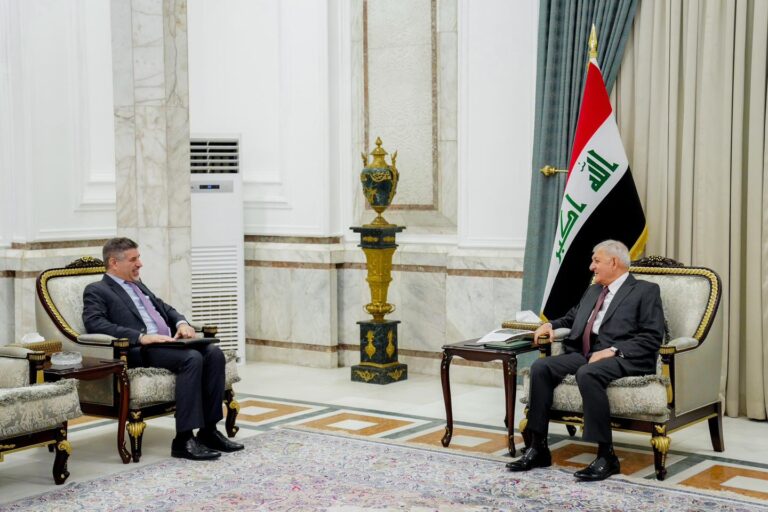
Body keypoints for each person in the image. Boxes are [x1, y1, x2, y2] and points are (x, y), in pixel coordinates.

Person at [507, 239, 664, 481]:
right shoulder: (593, 290)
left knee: (588, 373)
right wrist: (550, 325)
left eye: (596, 261)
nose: (591, 267)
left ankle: (606, 456)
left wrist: (613, 350)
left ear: (614, 262)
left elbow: (652, 336)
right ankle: (538, 448)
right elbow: (571, 319)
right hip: (585, 354)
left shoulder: (645, 290)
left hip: (625, 357)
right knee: (541, 367)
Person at [82, 237, 244, 460]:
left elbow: (166, 309)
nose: (140, 264)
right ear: (113, 263)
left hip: (169, 343)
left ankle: (209, 431)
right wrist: (141, 337)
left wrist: (182, 323)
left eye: (139, 258)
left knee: (214, 354)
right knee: (192, 358)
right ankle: (183, 440)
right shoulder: (97, 289)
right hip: (139, 350)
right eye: (133, 259)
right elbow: (95, 323)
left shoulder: (138, 284)